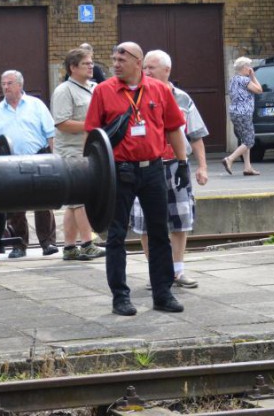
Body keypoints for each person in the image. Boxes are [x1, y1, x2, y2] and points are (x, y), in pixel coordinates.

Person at [84, 42, 188, 316]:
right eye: (114, 58)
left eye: (122, 58)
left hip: (152, 169)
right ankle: (120, 297)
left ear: (138, 62)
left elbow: (175, 128)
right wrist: (95, 173)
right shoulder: (103, 91)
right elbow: (92, 137)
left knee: (159, 233)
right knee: (116, 235)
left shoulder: (159, 89)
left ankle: (162, 294)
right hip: (118, 171)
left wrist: (183, 163)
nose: (116, 63)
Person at [131, 50, 209, 289]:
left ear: (167, 70)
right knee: (144, 222)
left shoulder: (183, 98)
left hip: (176, 165)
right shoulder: (135, 96)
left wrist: (202, 166)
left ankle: (177, 271)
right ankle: (157, 271)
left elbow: (195, 136)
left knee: (180, 218)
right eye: (144, 67)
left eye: (152, 67)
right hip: (144, 165)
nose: (146, 71)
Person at [0, 70, 58, 259]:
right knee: (15, 206)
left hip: (39, 158)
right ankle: (18, 245)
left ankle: (48, 243)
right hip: (10, 163)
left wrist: (55, 159)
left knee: (43, 203)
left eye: (9, 83)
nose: (5, 87)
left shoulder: (36, 105)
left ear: (20, 85)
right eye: (3, 84)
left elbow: (51, 135)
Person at [51, 47, 106, 261]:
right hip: (71, 151)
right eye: (86, 63)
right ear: (72, 68)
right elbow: (62, 123)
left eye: (92, 63)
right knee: (81, 198)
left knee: (73, 200)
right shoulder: (64, 91)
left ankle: (70, 247)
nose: (91, 66)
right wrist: (92, 127)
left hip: (88, 151)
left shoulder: (94, 88)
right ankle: (88, 244)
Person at [222, 56, 262, 176]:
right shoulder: (244, 80)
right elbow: (259, 90)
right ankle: (229, 159)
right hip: (244, 113)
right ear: (245, 68)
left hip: (235, 113)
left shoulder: (233, 79)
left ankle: (247, 167)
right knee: (249, 141)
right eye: (249, 66)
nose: (250, 68)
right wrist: (253, 76)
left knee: (245, 140)